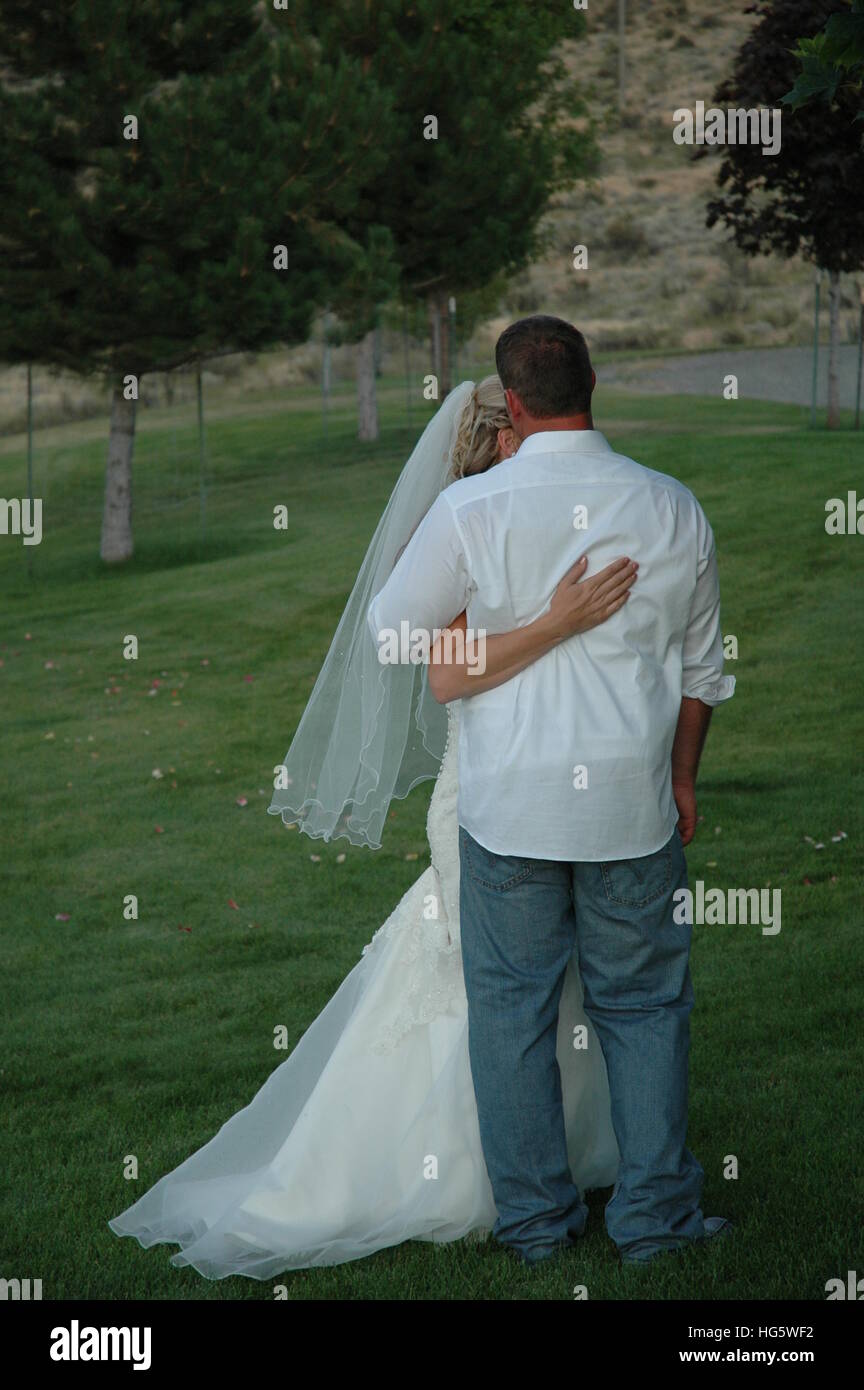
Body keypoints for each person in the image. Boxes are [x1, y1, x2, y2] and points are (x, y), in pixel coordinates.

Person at [107, 373, 633, 1280]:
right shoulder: (467, 519)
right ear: (504, 440)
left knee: (547, 985)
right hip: (484, 797)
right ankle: (469, 1179)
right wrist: (557, 622)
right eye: (527, 432)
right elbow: (443, 670)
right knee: (483, 988)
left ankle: (567, 1163)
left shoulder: (540, 504)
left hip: (553, 793)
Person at [368, 315, 736, 1266]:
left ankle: (538, 1227)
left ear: (515, 405)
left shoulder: (471, 511)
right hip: (632, 805)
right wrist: (684, 775)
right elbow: (704, 672)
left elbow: (396, 637)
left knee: (513, 1013)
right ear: (594, 386)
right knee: (646, 1006)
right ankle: (654, 1221)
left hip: (510, 811)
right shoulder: (671, 506)